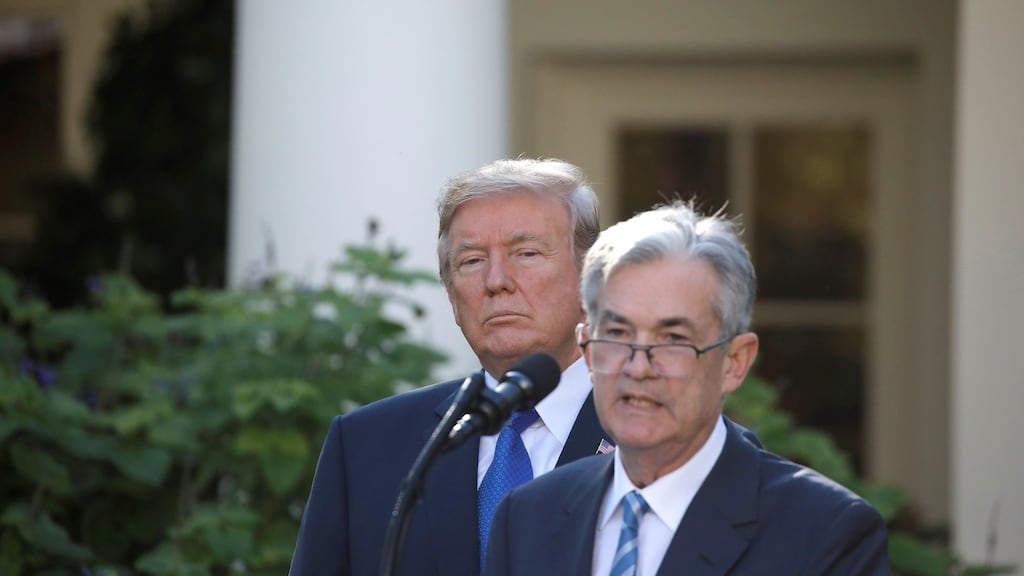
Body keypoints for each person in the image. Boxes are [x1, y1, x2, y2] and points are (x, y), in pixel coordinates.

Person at [484, 202, 889, 575]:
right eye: (618, 334)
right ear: (588, 352)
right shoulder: (527, 516)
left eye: (672, 340)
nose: (638, 366)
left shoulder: (824, 532)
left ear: (734, 362)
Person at [289, 158, 613, 576]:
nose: (496, 280)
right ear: (451, 294)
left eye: (526, 253)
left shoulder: (653, 436)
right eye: (472, 261)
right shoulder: (366, 447)